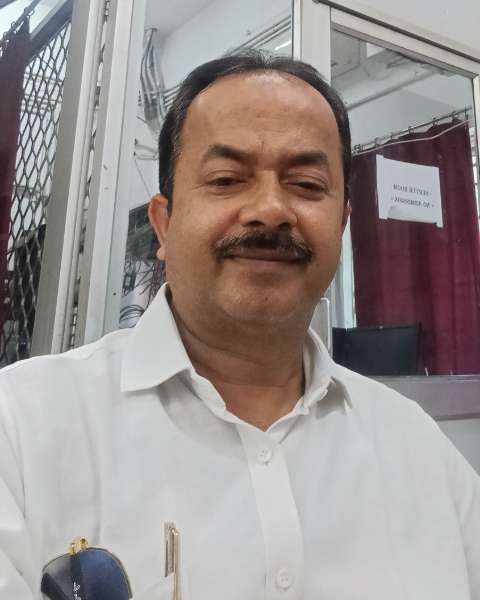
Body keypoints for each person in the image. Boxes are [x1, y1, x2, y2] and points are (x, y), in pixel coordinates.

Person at [0, 50, 478, 600]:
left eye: (307, 184)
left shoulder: (417, 446)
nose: (271, 209)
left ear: (343, 224)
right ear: (164, 223)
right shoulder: (23, 428)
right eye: (227, 179)